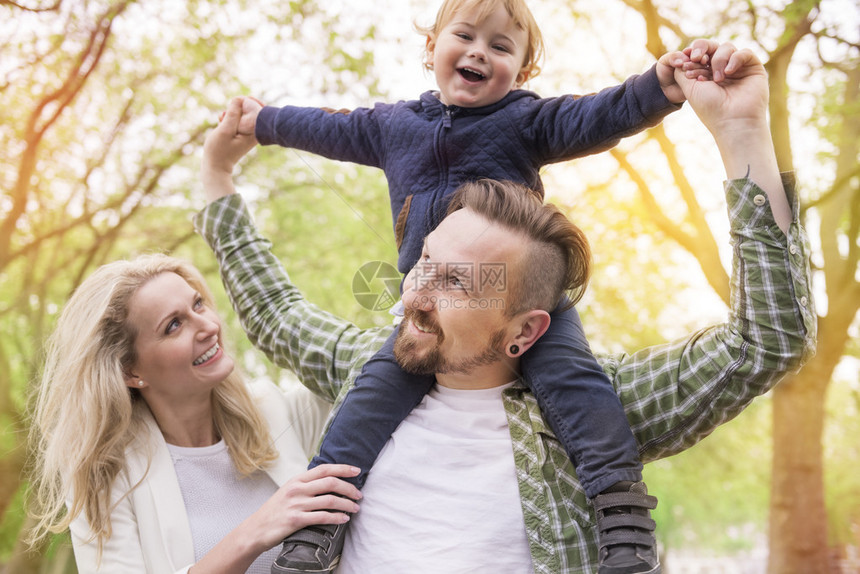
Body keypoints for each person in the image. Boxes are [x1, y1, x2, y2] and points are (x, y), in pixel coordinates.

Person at [197, 39, 815, 574]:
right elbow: (274, 311)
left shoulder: (596, 411)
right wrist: (218, 177)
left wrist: (742, 134)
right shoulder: (368, 371)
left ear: (526, 331)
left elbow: (768, 340)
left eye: (457, 283)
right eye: (426, 261)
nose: (417, 290)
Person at [236, 0, 692, 570]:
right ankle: (319, 523)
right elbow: (328, 127)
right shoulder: (390, 126)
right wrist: (264, 122)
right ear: (432, 48)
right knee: (370, 397)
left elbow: (596, 115)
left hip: (522, 300)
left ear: (520, 72)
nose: (480, 52)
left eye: (501, 47)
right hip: (429, 312)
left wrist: (660, 87)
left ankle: (621, 515)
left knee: (576, 383)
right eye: (466, 36)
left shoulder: (526, 121)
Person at [27, 254, 365, 574]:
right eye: (174, 325)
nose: (208, 327)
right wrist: (252, 534)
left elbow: (366, 378)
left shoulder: (274, 409)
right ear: (131, 372)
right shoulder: (106, 475)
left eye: (198, 304)